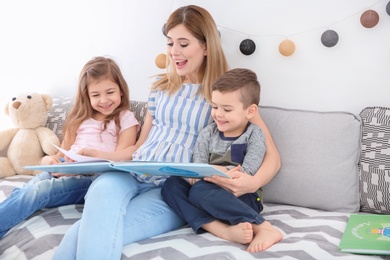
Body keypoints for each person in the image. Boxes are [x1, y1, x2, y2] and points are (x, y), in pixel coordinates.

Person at [53, 5, 281, 260]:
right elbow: (137, 148)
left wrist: (253, 182)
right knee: (99, 195)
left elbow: (272, 156)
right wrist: (91, 157)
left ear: (206, 47)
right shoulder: (161, 87)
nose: (174, 52)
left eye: (183, 44)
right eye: (170, 42)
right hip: (132, 172)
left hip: (171, 188)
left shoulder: (225, 95)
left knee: (79, 236)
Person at [0, 56, 139, 239]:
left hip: (92, 180)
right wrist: (53, 161)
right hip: (66, 170)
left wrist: (93, 155)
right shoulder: (78, 119)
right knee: (28, 188)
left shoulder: (125, 118)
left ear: (121, 90)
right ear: (86, 96)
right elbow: (60, 154)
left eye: (110, 92)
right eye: (96, 95)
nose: (104, 100)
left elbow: (122, 157)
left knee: (40, 191)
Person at [162, 68, 282, 252]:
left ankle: (263, 227)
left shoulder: (254, 134)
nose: (218, 114)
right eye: (214, 106)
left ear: (250, 111)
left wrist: (217, 174)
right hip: (207, 189)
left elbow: (247, 172)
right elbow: (199, 166)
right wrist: (203, 174)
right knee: (171, 185)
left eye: (226, 109)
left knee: (200, 192)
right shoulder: (208, 133)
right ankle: (223, 230)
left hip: (243, 195)